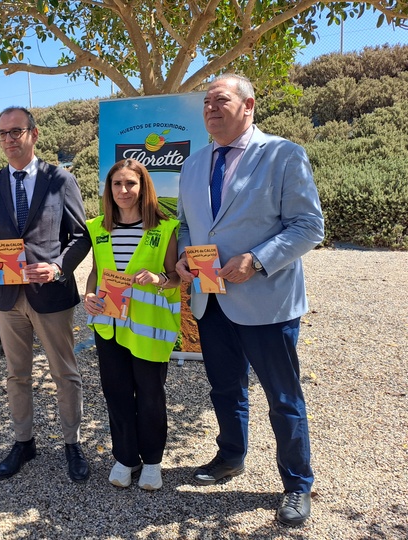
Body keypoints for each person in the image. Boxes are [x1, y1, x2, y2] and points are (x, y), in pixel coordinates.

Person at [175, 74, 325, 526]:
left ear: (249, 104)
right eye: (205, 103)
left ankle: (297, 484)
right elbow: (187, 226)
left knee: (283, 397)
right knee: (224, 388)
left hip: (267, 302)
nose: (210, 108)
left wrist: (258, 260)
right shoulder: (193, 164)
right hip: (212, 302)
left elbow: (308, 227)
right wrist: (184, 257)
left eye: (220, 100)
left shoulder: (283, 154)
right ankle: (230, 456)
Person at [0, 106, 91, 482]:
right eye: (3, 133)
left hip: (50, 295)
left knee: (64, 373)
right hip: (7, 299)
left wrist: (58, 267)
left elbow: (80, 237)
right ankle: (24, 441)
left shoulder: (60, 179)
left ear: (34, 134)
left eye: (16, 131)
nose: (9, 139)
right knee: (16, 375)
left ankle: (72, 443)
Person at [83, 159, 181, 491]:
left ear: (143, 187)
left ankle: (152, 460)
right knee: (117, 393)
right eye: (116, 184)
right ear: (108, 190)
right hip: (109, 325)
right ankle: (126, 457)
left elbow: (177, 278)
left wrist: (158, 278)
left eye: (130, 184)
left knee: (150, 395)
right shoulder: (97, 227)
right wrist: (88, 294)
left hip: (148, 327)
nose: (123, 191)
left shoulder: (165, 227)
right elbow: (97, 271)